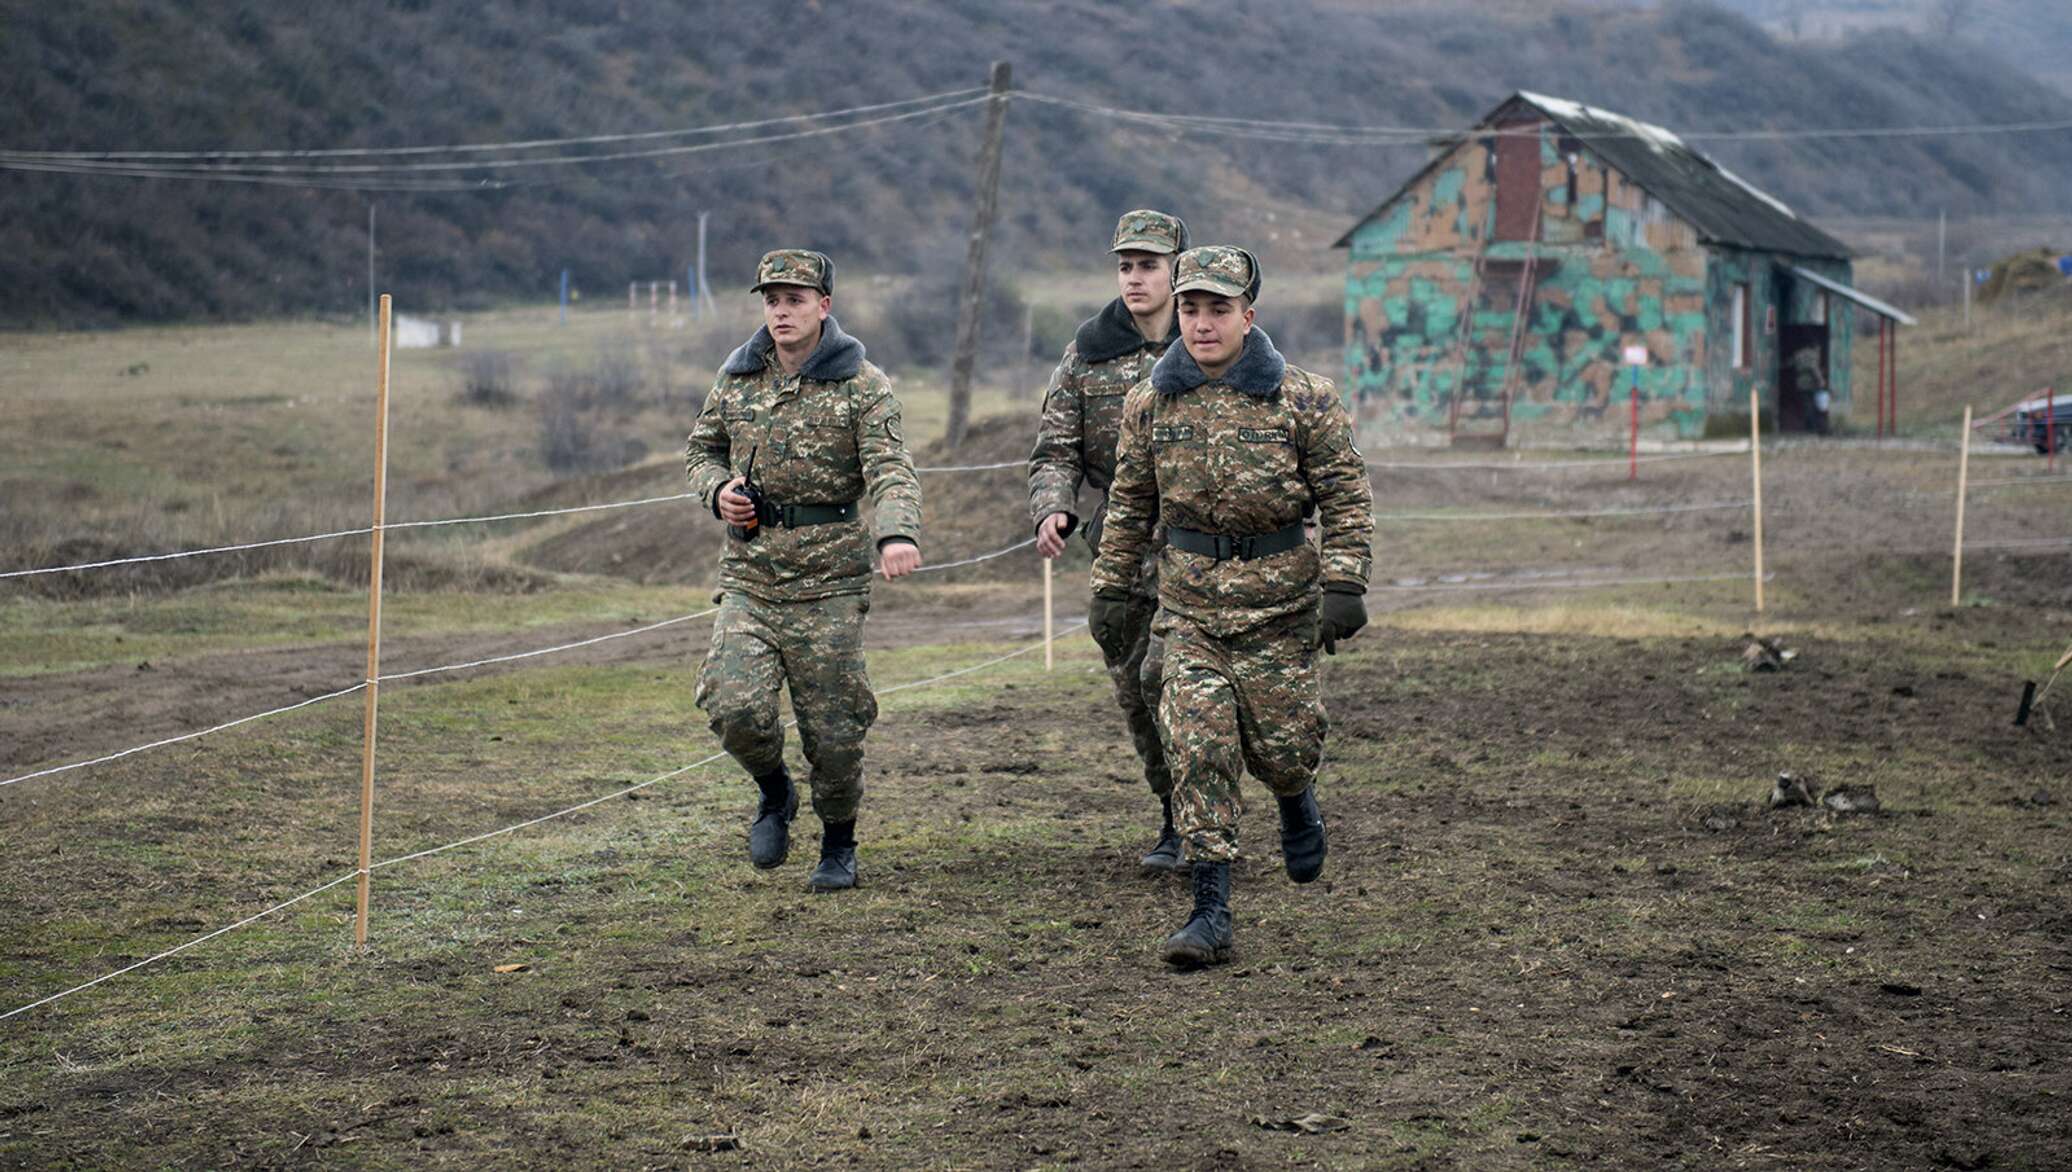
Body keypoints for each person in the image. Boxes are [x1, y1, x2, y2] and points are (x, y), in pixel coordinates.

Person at [1090, 245, 1375, 967]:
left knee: (1282, 747)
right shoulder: (1150, 403)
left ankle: (1294, 796)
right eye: (1191, 309)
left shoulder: (1304, 398)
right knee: (1198, 744)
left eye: (1218, 309)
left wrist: (1344, 584)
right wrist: (1112, 588)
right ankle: (1209, 909)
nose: (1203, 323)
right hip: (1188, 610)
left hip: (1280, 609)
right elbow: (1128, 504)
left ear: (1248, 315)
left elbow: (1345, 496)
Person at [684, 249, 924, 892]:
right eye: (771, 300)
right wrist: (717, 492)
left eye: (795, 299)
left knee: (836, 729)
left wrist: (896, 533)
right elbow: (702, 450)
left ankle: (838, 842)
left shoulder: (862, 384)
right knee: (732, 705)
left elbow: (891, 469)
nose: (781, 311)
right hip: (751, 576)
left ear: (824, 306)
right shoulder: (737, 378)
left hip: (831, 585)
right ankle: (774, 790)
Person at [1028, 208, 1189, 872]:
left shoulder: (1209, 340)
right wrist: (1054, 507)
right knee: (1136, 689)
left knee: (1177, 680)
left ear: (1178, 269)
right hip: (1121, 550)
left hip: (1201, 549)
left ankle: (1218, 812)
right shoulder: (1087, 354)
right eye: (1126, 266)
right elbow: (1054, 450)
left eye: (1148, 265)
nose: (1135, 278)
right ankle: (1176, 816)